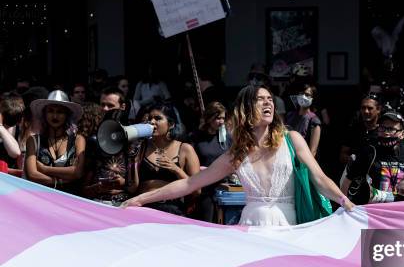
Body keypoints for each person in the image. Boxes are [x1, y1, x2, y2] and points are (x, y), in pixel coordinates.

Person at [123, 85, 354, 226]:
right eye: (260, 99)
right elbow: (191, 183)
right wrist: (141, 199)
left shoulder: (292, 139)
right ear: (246, 108)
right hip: (251, 226)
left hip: (289, 225)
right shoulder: (237, 153)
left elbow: (320, 178)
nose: (268, 103)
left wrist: (346, 202)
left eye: (270, 99)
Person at [132, 104, 200, 216]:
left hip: (172, 210)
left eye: (158, 118)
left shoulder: (185, 149)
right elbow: (132, 187)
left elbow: (197, 191)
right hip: (143, 208)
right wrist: (132, 162)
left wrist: (176, 169)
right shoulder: (141, 147)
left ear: (171, 124)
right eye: (149, 119)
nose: (152, 122)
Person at [341, 110, 404, 204]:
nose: (386, 133)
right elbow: (347, 183)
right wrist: (346, 206)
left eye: (390, 129)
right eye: (382, 128)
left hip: (401, 211)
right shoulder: (368, 152)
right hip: (373, 212)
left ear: (402, 134)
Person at [24, 90, 86, 192]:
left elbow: (78, 172)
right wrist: (61, 181)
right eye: (51, 111)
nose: (55, 116)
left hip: (70, 201)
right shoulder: (34, 140)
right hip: (42, 200)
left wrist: (44, 169)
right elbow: (32, 174)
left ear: (67, 115)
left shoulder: (78, 140)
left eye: (60, 112)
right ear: (44, 114)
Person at [191, 102, 231, 221]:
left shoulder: (226, 138)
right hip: (204, 189)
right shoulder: (196, 137)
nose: (221, 121)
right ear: (209, 118)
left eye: (223, 118)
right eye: (218, 118)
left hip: (223, 188)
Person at [285, 83, 321, 156]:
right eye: (301, 93)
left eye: (307, 95)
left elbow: (312, 151)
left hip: (301, 162)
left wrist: (303, 166)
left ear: (313, 98)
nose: (303, 97)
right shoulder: (290, 115)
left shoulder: (314, 120)